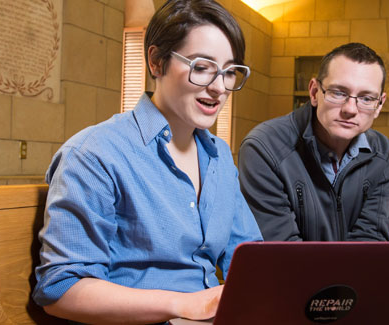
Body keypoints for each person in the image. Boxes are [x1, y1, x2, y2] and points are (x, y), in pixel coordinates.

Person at [31, 0, 262, 323]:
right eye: (201, 67)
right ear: (156, 61)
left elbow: (249, 259)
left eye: (228, 71)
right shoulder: (95, 152)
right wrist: (184, 304)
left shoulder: (220, 156)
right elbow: (60, 290)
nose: (219, 87)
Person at [238, 42, 389, 322]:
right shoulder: (265, 145)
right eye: (339, 93)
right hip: (286, 292)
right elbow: (284, 256)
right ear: (315, 92)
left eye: (366, 98)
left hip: (348, 288)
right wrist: (383, 290)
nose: (350, 109)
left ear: (380, 105)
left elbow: (371, 241)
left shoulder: (382, 152)